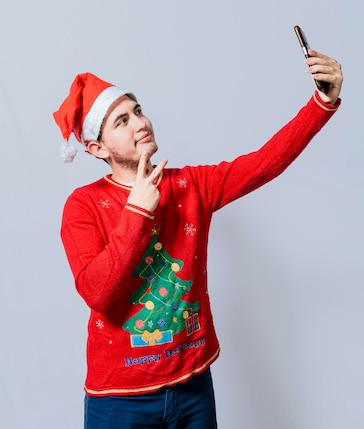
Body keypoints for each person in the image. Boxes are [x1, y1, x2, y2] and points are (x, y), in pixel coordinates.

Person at [53, 48, 343, 428]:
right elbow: (99, 293)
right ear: (97, 148)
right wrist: (137, 212)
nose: (140, 123)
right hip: (120, 399)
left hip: (192, 386)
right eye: (121, 121)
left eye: (138, 111)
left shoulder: (191, 185)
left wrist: (323, 101)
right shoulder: (83, 206)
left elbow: (265, 162)